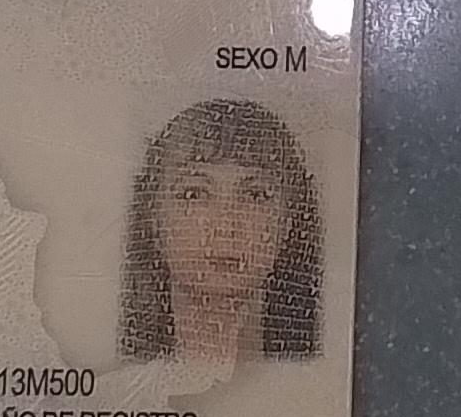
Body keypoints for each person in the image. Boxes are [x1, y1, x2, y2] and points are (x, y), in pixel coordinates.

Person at [116, 99, 323, 363]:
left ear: (288, 222)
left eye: (255, 195)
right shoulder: (116, 378)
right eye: (194, 194)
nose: (226, 226)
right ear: (153, 218)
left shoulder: (318, 376)